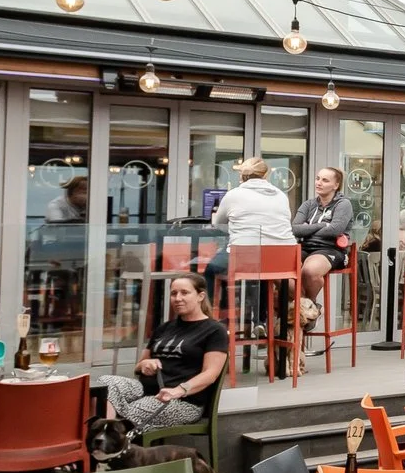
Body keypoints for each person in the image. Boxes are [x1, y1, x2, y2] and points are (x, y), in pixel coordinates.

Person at [102, 272, 227, 432]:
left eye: (185, 293)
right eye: (174, 293)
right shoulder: (164, 328)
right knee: (105, 384)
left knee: (132, 411)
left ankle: (111, 440)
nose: (178, 298)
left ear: (200, 296)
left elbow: (211, 374)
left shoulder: (214, 330)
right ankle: (109, 436)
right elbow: (138, 366)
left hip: (183, 401)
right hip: (145, 388)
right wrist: (145, 364)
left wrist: (179, 390)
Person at [204, 156, 294, 284]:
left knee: (211, 269)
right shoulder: (281, 195)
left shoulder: (233, 195)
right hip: (282, 259)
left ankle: (220, 303)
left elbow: (218, 225)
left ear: (242, 175)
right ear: (265, 174)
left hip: (246, 258)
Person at [293, 167, 356, 325]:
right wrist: (322, 225)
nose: (319, 183)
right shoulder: (308, 204)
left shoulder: (343, 204)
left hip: (331, 249)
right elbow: (294, 229)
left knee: (309, 270)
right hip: (305, 247)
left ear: (336, 185)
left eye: (325, 180)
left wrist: (307, 228)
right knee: (281, 272)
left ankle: (310, 305)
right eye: (318, 178)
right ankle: (304, 308)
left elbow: (335, 230)